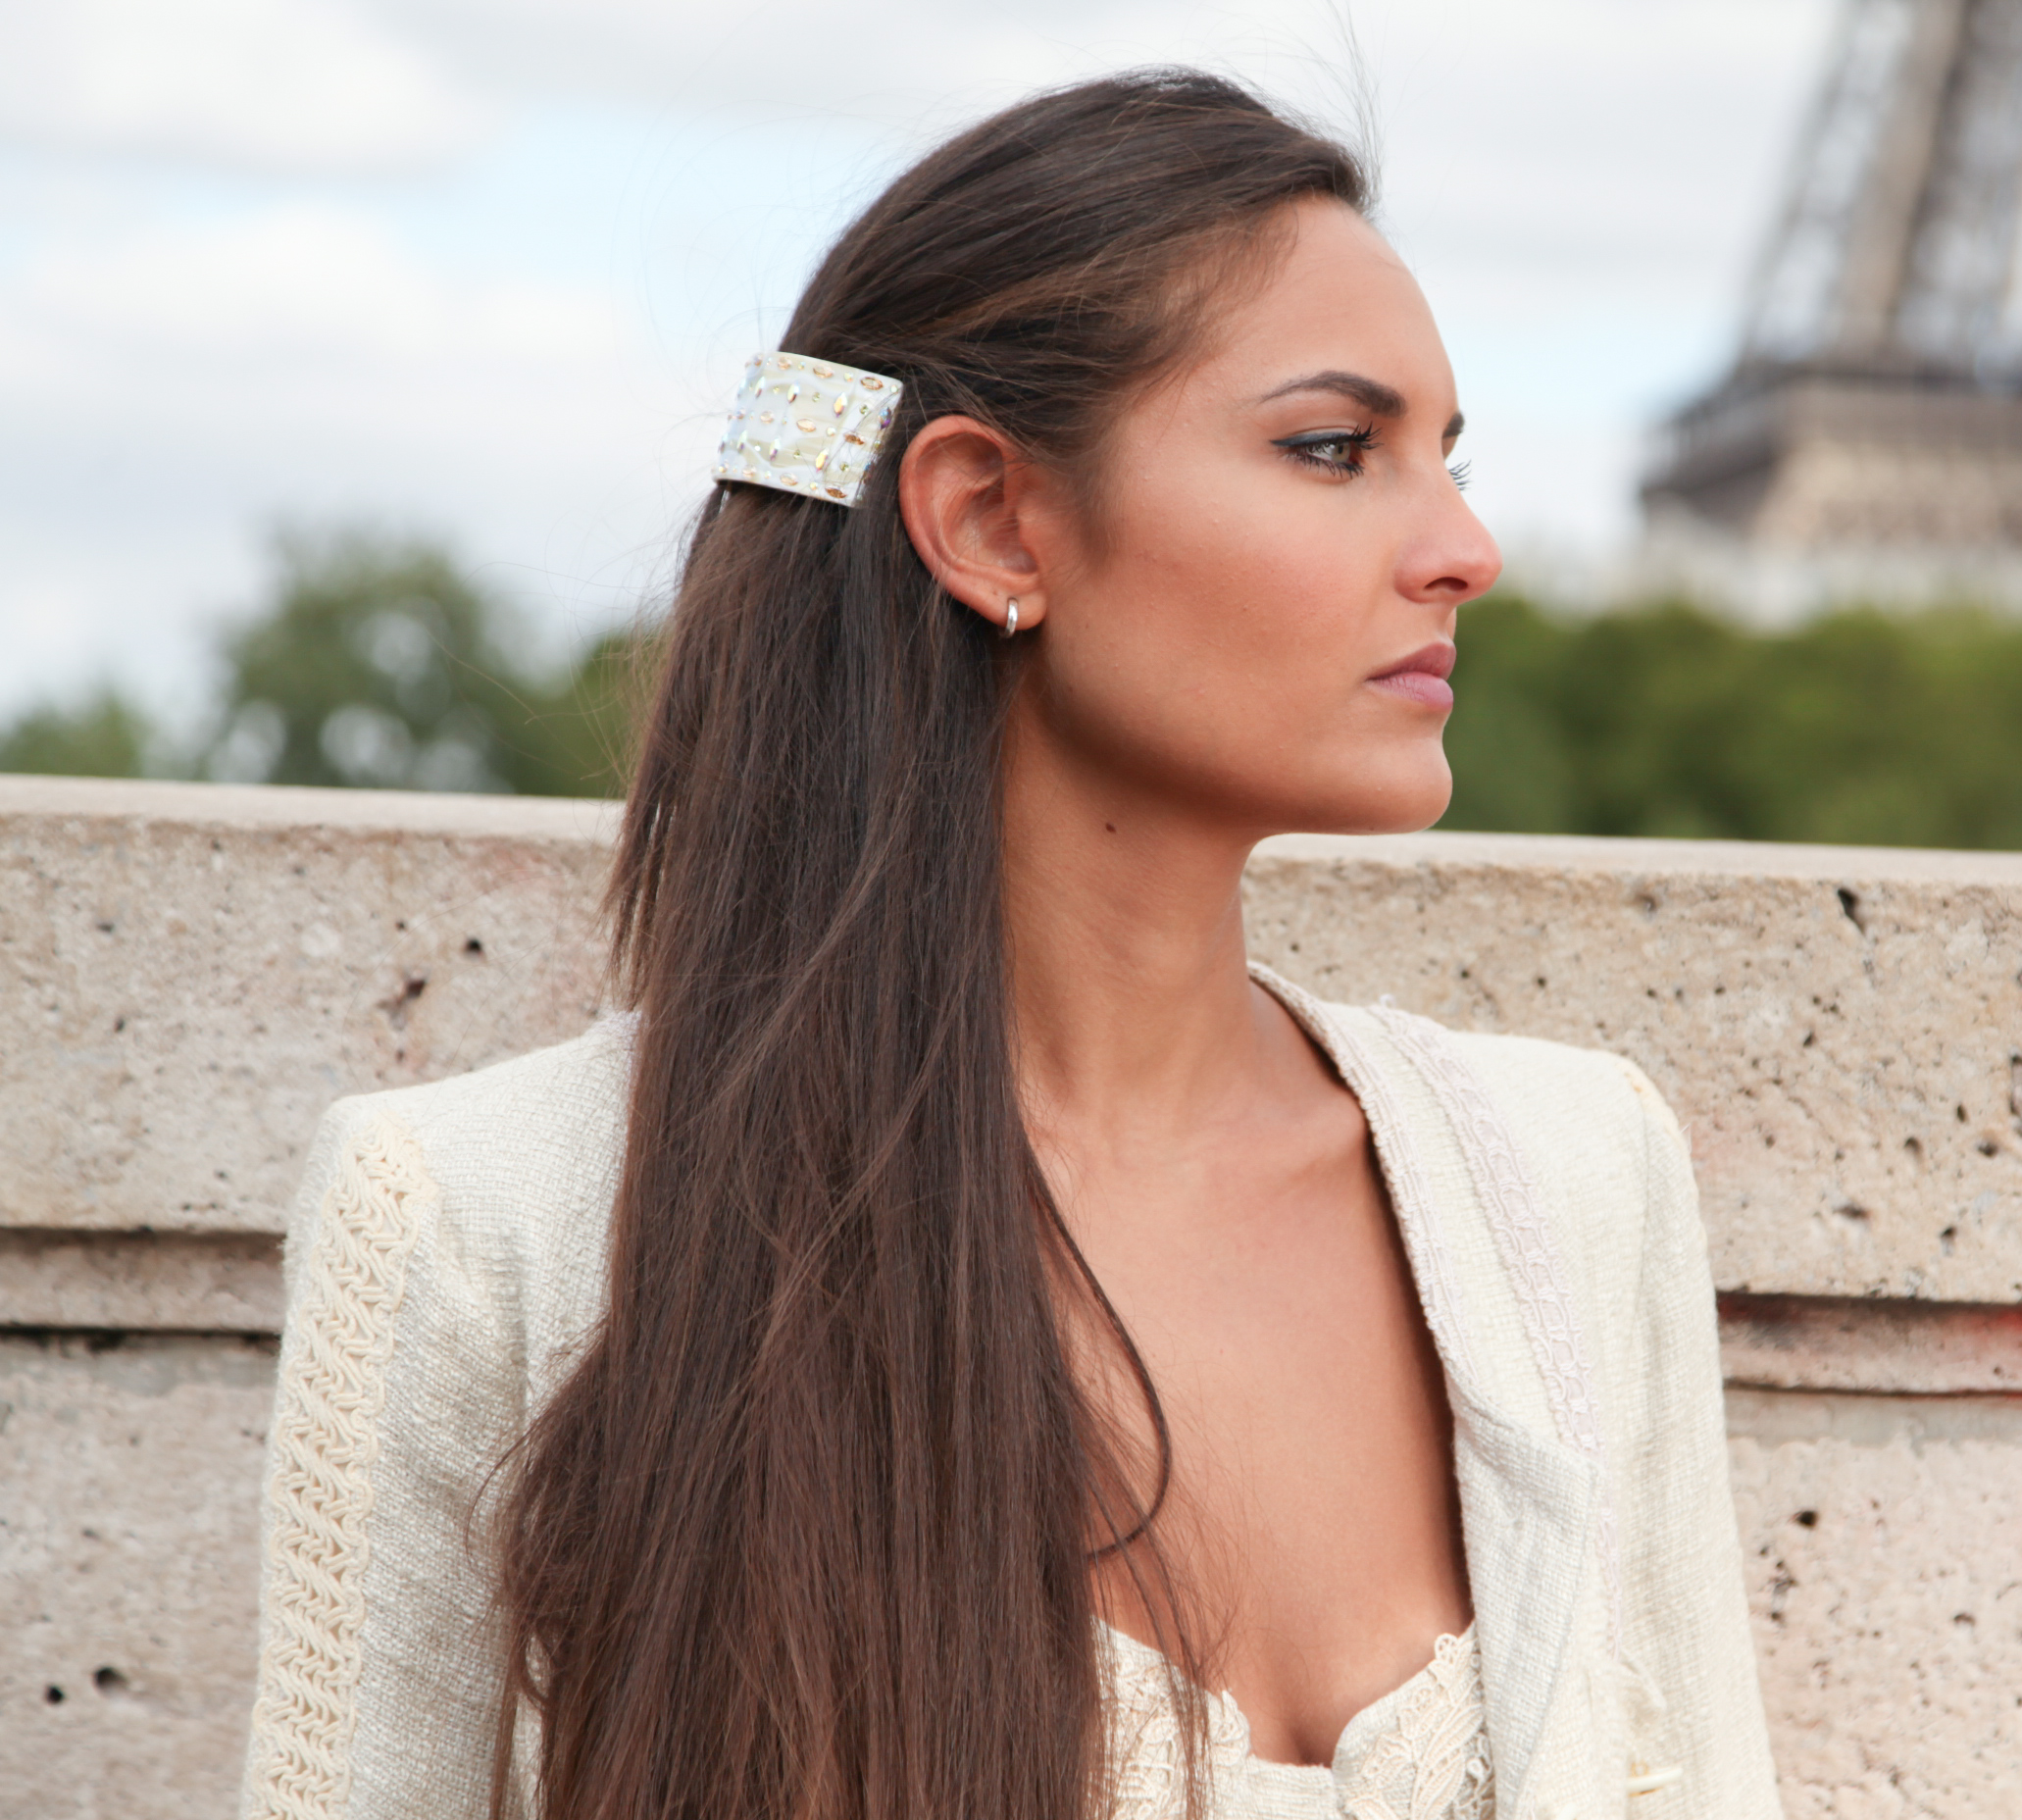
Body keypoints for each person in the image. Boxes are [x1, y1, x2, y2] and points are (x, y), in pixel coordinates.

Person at [237, 70, 1781, 1820]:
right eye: (1335, 449)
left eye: (1452, 459)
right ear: (989, 521)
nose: (1466, 551)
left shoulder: (1575, 1180)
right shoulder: (488, 1224)